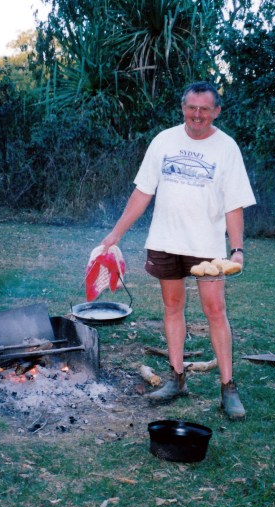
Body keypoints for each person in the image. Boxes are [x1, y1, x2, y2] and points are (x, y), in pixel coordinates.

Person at [99, 81, 256, 420]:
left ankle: (228, 388)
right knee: (172, 308)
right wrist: (114, 235)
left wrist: (237, 249)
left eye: (204, 109)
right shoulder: (163, 141)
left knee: (215, 311)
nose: (197, 115)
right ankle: (177, 378)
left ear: (216, 111)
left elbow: (234, 206)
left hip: (207, 248)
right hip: (165, 242)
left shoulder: (226, 148)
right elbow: (142, 194)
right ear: (183, 107)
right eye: (191, 107)